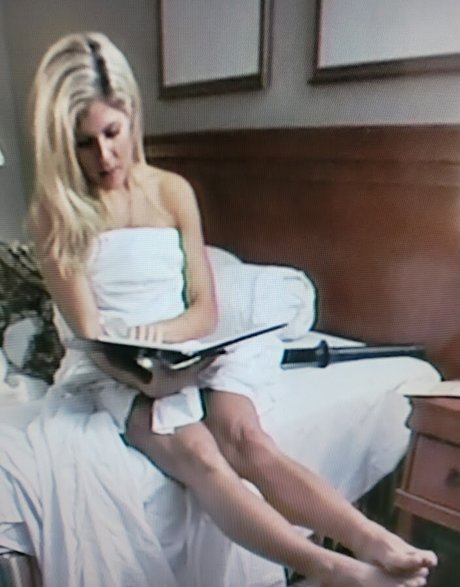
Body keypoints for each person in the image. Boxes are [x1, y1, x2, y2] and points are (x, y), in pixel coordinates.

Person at [28, 31, 437, 587]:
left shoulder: (171, 191)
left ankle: (373, 539)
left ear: (131, 115)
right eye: (84, 143)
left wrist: (175, 351)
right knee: (199, 451)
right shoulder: (54, 214)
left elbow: (204, 309)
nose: (104, 157)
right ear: (61, 143)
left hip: (181, 349)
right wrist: (152, 379)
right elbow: (90, 333)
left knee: (247, 439)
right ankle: (333, 568)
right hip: (112, 369)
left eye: (111, 133)